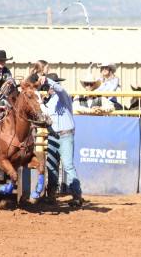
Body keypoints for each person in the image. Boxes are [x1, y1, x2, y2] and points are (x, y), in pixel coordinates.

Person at [44, 74, 83, 207]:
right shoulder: (48, 102)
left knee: (67, 165)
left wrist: (48, 80)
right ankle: (51, 195)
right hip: (53, 136)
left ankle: (77, 195)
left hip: (65, 135)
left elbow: (60, 90)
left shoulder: (63, 96)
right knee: (52, 166)